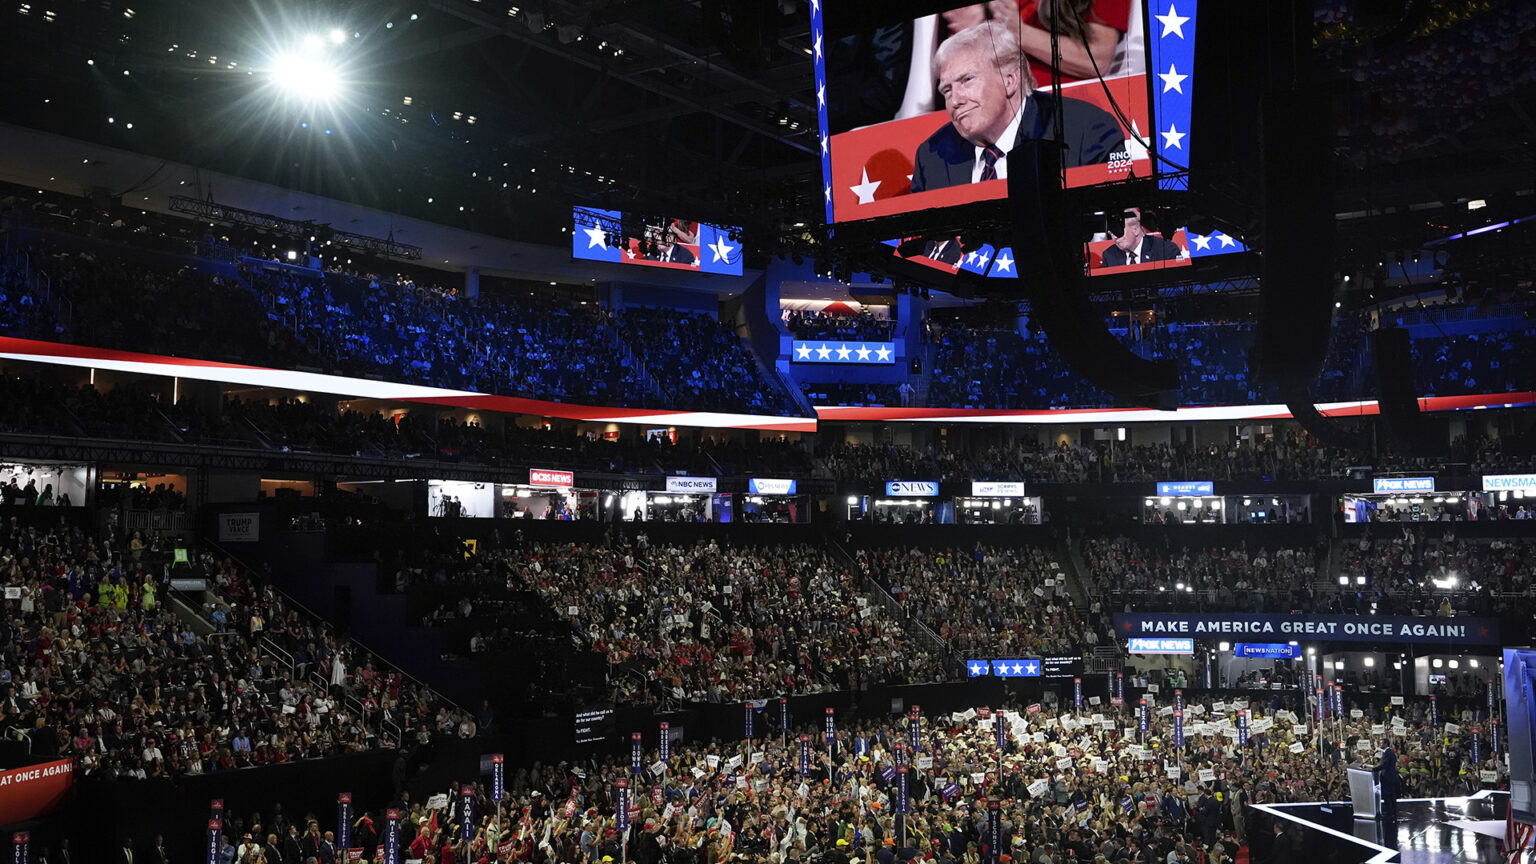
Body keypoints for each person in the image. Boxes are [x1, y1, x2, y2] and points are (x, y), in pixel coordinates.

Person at [910, 21, 1125, 192]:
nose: (955, 100)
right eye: (947, 90)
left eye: (967, 80)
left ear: (1010, 80)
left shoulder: (1086, 132)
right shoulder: (932, 156)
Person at [1100, 212, 1181, 267]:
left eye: (1119, 232)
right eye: (1111, 233)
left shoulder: (1166, 250)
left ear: (1135, 229)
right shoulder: (1109, 255)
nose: (1115, 237)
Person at [1377, 738, 1400, 831]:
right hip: (1390, 778)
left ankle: (1390, 815)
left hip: (1388, 779)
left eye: (1381, 742)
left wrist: (1374, 769)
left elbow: (1384, 765)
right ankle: (1393, 814)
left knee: (1388, 797)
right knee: (1391, 797)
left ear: (1385, 743)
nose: (1380, 744)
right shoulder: (1390, 752)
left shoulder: (1387, 752)